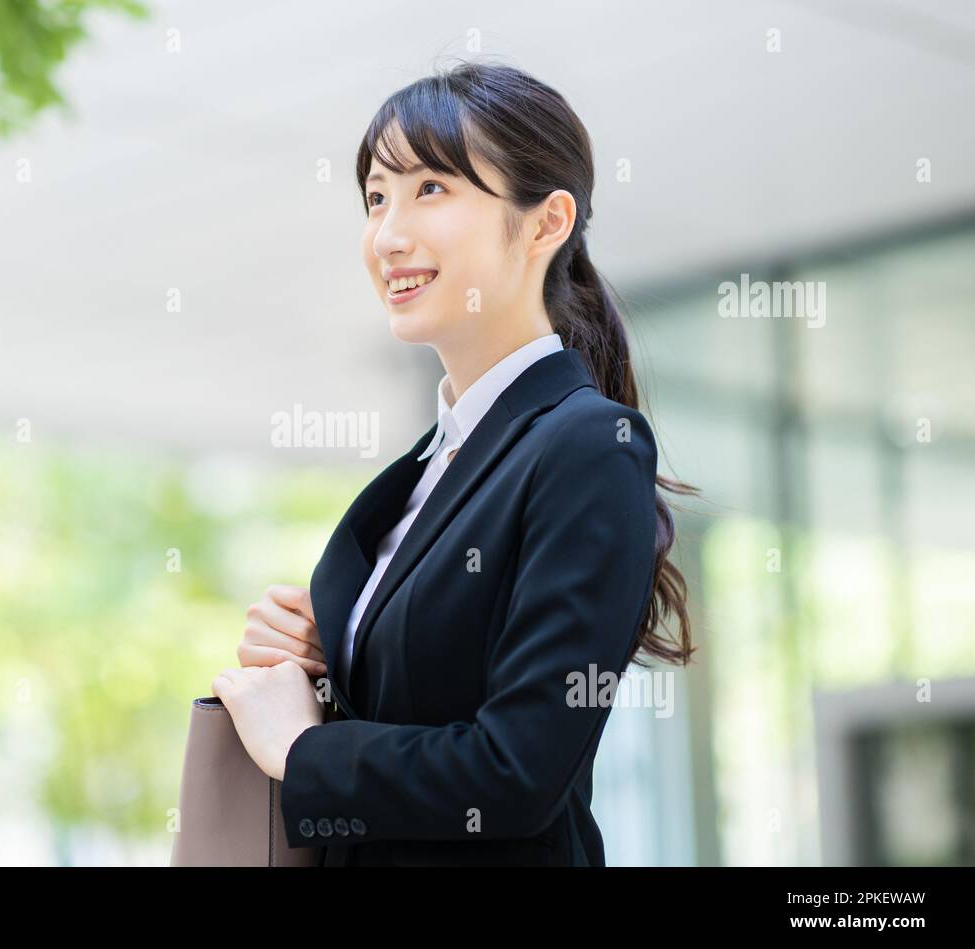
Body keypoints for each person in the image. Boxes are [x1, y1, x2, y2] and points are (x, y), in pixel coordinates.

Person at [212, 59, 698, 866]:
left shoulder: (586, 446)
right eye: (376, 198)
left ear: (545, 223)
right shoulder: (431, 465)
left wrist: (301, 749)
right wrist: (327, 654)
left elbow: (516, 771)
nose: (387, 235)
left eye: (431, 189)